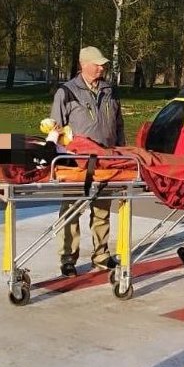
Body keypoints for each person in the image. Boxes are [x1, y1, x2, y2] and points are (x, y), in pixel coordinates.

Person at [50, 45, 125, 277]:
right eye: (97, 64)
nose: (102, 68)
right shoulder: (66, 92)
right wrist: (61, 157)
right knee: (71, 210)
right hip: (76, 161)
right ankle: (68, 258)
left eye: (103, 65)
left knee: (102, 211)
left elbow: (119, 125)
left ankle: (101, 255)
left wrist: (121, 153)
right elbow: (55, 128)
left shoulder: (110, 91)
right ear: (84, 65)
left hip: (106, 160)